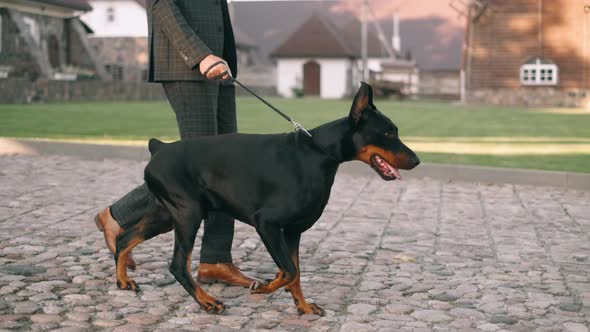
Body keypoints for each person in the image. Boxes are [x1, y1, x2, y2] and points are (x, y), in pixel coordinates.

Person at [94, 0, 255, 287]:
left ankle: (216, 260)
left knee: (225, 166)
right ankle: (118, 215)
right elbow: (161, 5)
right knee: (199, 169)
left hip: (219, 62)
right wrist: (199, 55)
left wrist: (217, 54)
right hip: (189, 65)